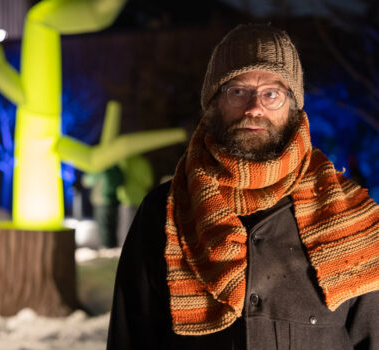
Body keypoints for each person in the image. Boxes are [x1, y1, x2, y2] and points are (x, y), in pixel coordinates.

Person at [107, 24, 379, 349]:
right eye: (237, 91)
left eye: (271, 94)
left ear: (293, 105)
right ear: (213, 103)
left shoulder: (352, 218)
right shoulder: (163, 212)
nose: (254, 107)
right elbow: (130, 338)